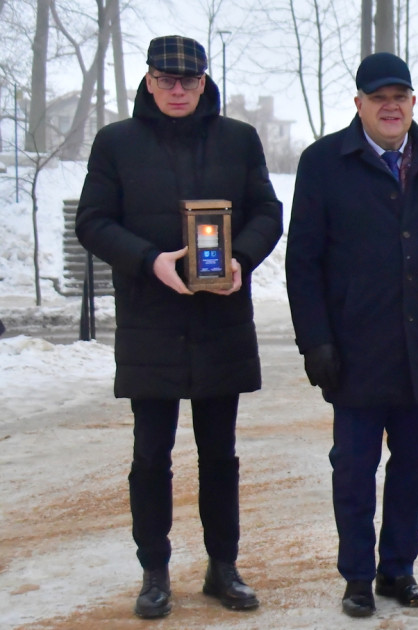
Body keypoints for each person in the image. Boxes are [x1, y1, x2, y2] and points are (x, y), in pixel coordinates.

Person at [75, 35, 282, 619]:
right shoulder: (116, 143)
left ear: (203, 83)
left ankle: (223, 567)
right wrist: (148, 260)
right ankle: (155, 571)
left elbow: (269, 210)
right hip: (151, 321)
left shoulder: (238, 140)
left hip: (221, 321)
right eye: (165, 79)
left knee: (220, 454)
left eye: (187, 80)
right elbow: (93, 221)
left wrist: (240, 256)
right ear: (147, 80)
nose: (176, 89)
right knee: (151, 455)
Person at [285, 52, 418, 618]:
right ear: (359, 105)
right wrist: (315, 340)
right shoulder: (323, 162)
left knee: (413, 467)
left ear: (413, 102)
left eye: (400, 96)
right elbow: (304, 261)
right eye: (378, 97)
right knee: (353, 469)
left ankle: (398, 569)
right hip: (355, 349)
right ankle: (356, 576)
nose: (390, 106)